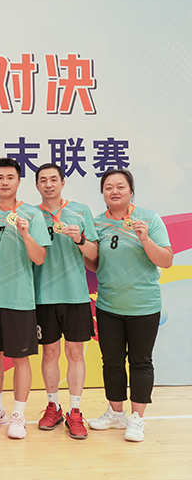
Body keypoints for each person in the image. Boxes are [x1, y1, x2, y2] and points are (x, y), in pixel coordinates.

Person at [86, 169, 173, 442]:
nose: (114, 191)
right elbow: (95, 263)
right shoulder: (97, 223)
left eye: (120, 186)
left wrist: (145, 238)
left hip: (144, 306)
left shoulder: (149, 219)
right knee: (111, 362)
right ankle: (115, 413)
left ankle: (137, 419)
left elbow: (166, 260)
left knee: (141, 361)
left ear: (131, 191)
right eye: (108, 187)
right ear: (103, 192)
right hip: (108, 305)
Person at [0, 157, 51, 439]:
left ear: (18, 181)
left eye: (10, 177)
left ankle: (19, 414)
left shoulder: (33, 215)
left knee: (20, 359)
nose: (5, 182)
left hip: (20, 299)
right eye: (0, 177)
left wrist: (26, 234)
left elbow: (40, 258)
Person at [33, 163, 99, 439]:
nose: (48, 184)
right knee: (49, 354)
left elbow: (94, 256)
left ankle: (75, 411)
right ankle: (53, 407)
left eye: (53, 179)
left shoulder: (81, 211)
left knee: (75, 354)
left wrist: (80, 239)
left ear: (63, 182)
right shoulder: (31, 215)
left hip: (75, 295)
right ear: (37, 185)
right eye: (43, 180)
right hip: (43, 295)